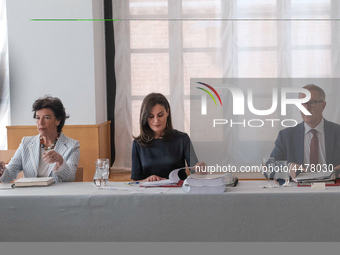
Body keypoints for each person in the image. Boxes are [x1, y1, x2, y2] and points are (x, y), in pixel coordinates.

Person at [0, 95, 80, 183]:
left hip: (57, 195)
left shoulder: (72, 145)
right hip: (30, 194)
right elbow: (8, 175)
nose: (40, 123)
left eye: (46, 118)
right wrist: (1, 171)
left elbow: (70, 178)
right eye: (38, 118)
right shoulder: (26, 143)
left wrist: (60, 161)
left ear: (58, 121)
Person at [270, 84, 340, 178]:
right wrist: (287, 167)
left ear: (323, 105)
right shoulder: (286, 136)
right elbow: (269, 168)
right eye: (303, 103)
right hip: (298, 190)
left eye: (312, 103)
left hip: (332, 189)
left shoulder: (337, 132)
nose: (306, 108)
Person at [131, 93, 204, 182]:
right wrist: (147, 180)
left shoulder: (182, 139)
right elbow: (135, 182)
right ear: (145, 117)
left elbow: (196, 172)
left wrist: (201, 169)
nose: (156, 120)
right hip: (149, 193)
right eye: (151, 116)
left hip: (178, 192)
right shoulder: (138, 143)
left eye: (160, 115)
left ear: (167, 112)